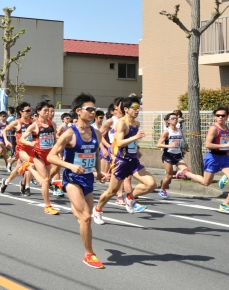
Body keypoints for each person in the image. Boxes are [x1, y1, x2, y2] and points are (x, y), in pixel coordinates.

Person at [48, 93, 108, 269]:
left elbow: (95, 154)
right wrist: (71, 166)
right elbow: (52, 156)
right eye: (89, 109)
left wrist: (98, 172)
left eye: (95, 109)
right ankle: (90, 254)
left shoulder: (96, 132)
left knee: (83, 218)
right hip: (72, 178)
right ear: (78, 111)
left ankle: (88, 249)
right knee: (87, 217)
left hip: (88, 178)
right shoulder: (69, 134)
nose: (93, 112)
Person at [93, 96, 156, 222]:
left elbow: (131, 142)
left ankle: (130, 197)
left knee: (151, 184)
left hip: (133, 161)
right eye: (135, 108)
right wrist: (136, 137)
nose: (138, 111)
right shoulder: (121, 123)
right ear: (126, 109)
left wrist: (136, 149)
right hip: (120, 162)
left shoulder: (136, 123)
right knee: (111, 191)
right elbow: (120, 142)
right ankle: (97, 210)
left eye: (139, 108)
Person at [184, 105, 229, 215]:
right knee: (206, 182)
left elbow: (227, 143)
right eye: (218, 115)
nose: (220, 117)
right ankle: (186, 173)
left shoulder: (227, 128)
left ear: (227, 116)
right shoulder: (213, 128)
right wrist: (225, 144)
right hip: (213, 157)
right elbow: (208, 145)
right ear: (215, 117)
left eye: (223, 115)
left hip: (224, 158)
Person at [19, 101, 59, 215]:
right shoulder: (34, 125)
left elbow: (55, 141)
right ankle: (47, 206)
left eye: (49, 111)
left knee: (46, 180)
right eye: (45, 111)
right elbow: (21, 139)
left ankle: (29, 168)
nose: (48, 113)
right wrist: (30, 143)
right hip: (38, 156)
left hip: (49, 156)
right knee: (46, 180)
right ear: (38, 112)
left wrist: (56, 151)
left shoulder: (52, 124)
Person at [156, 112, 188, 198]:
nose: (175, 120)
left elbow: (178, 142)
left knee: (185, 170)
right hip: (168, 155)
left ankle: (178, 173)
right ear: (168, 121)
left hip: (178, 155)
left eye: (176, 118)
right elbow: (158, 144)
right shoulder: (166, 132)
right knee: (169, 176)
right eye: (173, 118)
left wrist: (182, 149)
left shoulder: (180, 131)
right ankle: (162, 189)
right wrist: (170, 146)